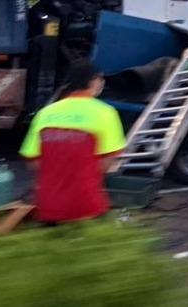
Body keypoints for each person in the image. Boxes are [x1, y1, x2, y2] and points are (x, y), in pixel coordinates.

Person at [19, 58, 127, 223]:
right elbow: (105, 164)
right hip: (87, 207)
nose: (102, 83)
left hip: (48, 209)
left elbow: (32, 162)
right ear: (93, 80)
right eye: (101, 79)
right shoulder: (106, 113)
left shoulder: (45, 113)